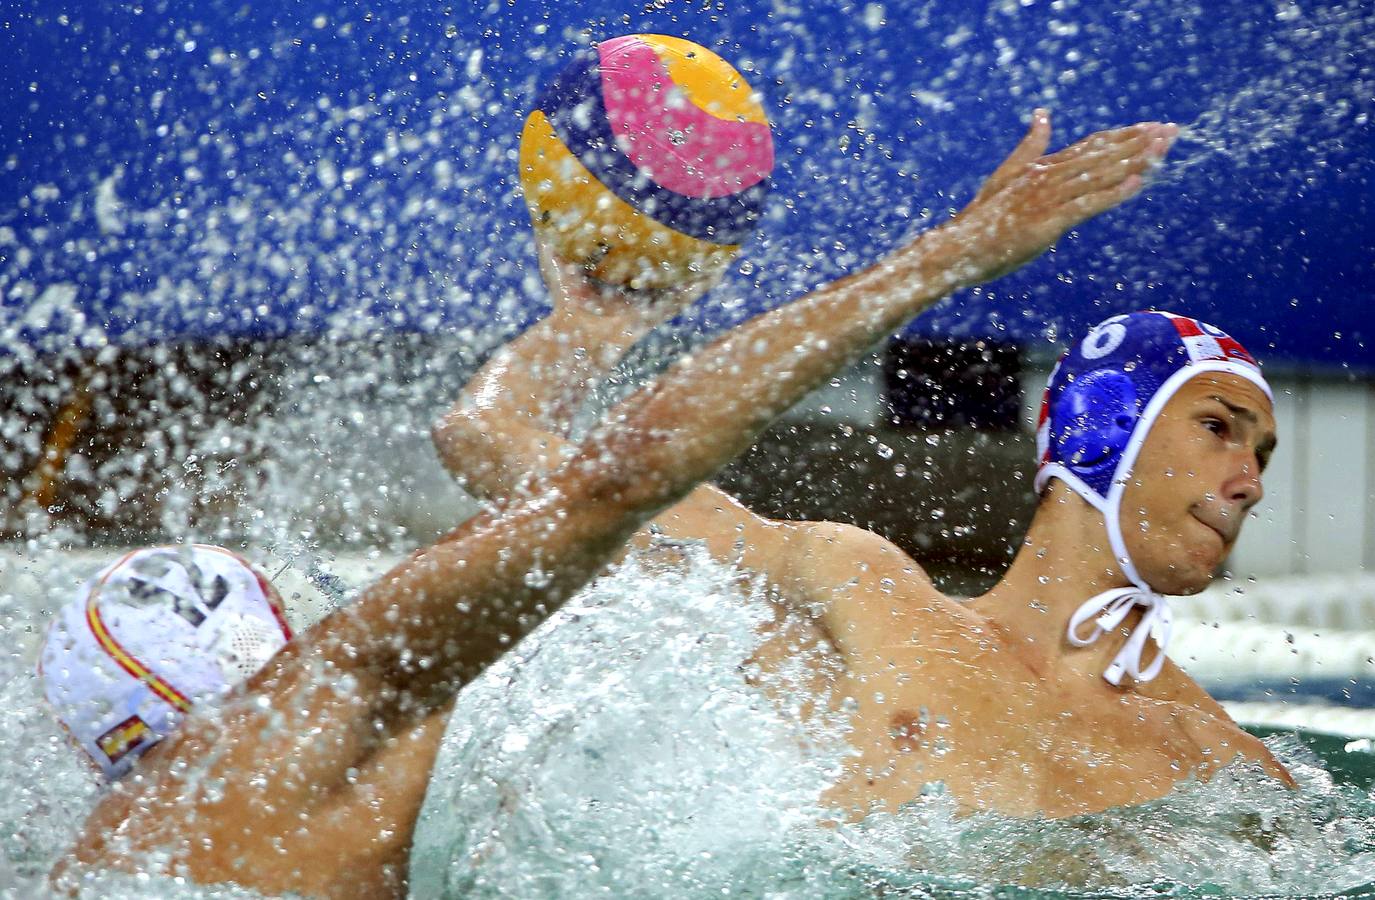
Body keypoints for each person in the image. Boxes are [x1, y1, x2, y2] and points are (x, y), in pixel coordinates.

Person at [47, 105, 1168, 897]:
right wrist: (950, 256)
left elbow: (483, 438)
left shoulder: (119, 846)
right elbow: (612, 475)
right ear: (275, 656)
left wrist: (589, 325)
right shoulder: (329, 703)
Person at [434, 109, 1295, 823]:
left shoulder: (1228, 767)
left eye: (1259, 454)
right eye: (1218, 426)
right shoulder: (857, 598)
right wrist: (593, 327)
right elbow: (493, 442)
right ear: (1100, 430)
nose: (1249, 481)